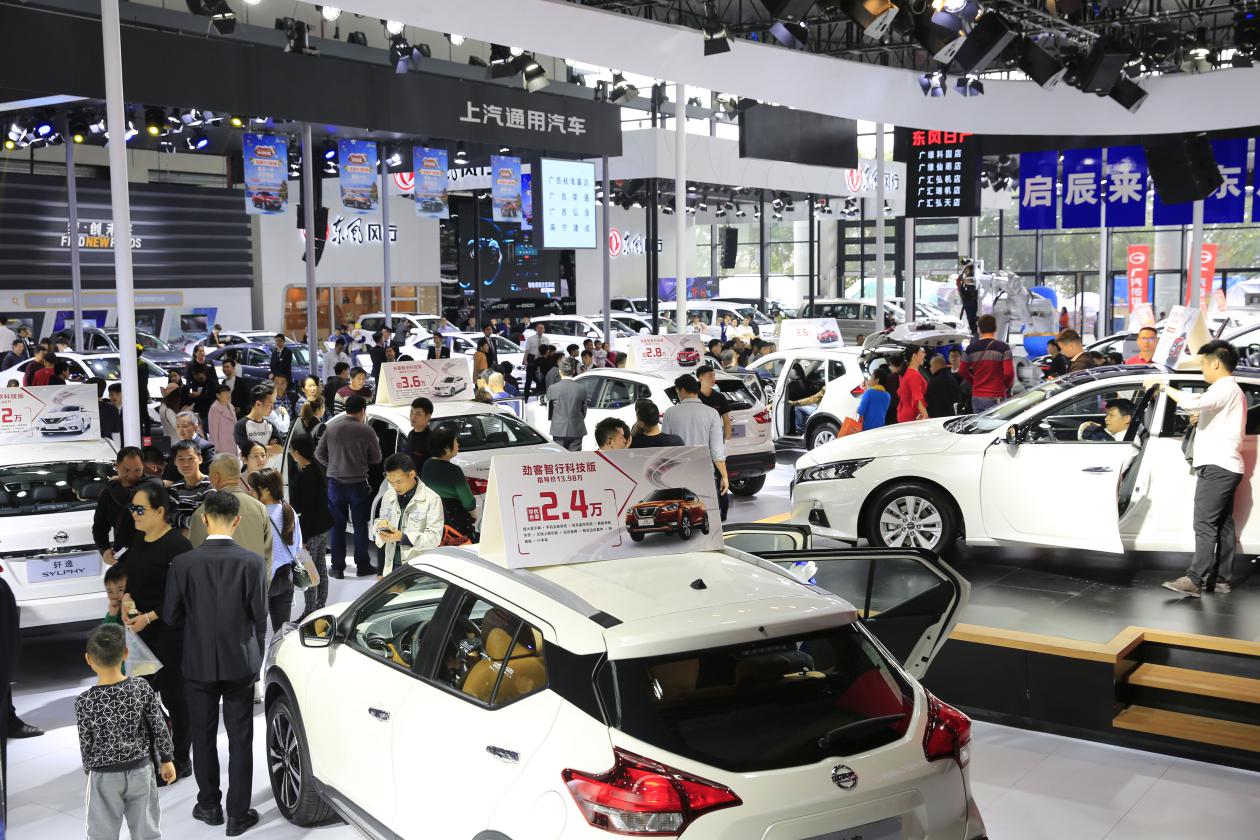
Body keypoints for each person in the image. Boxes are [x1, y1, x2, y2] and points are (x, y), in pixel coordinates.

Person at [162, 490, 265, 836]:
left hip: (197, 660)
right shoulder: (252, 562)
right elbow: (259, 615)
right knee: (240, 738)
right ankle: (238, 814)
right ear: (237, 521)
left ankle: (208, 806)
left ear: (204, 519)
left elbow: (170, 616)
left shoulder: (183, 563)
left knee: (203, 736)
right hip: (240, 661)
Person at [1148, 342, 1247, 597]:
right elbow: (1212, 415)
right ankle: (1221, 579)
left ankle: (1194, 579)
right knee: (1222, 525)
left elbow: (1193, 401)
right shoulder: (1230, 391)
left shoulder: (1225, 388)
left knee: (1204, 524)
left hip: (1218, 467)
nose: (1202, 369)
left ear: (1216, 363)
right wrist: (1200, 419)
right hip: (1226, 466)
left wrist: (1163, 386)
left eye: (1203, 364)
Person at [114, 480, 194, 781]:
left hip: (171, 633)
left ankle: (181, 758)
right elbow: (132, 581)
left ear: (160, 511)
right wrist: (126, 600)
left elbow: (183, 595)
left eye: (140, 509)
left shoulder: (178, 546)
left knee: (175, 698)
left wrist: (149, 617)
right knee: (142, 698)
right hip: (141, 635)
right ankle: (157, 754)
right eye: (132, 508)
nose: (134, 514)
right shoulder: (138, 541)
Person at [76, 624, 176, 840]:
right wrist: (167, 759)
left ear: (89, 659)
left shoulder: (84, 701)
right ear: (125, 653)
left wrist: (89, 771)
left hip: (103, 774)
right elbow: (159, 725)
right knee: (146, 830)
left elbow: (86, 742)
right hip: (140, 769)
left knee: (101, 834)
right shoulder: (141, 688)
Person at [315, 394, 382, 578]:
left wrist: (333, 465)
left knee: (337, 527)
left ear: (346, 409)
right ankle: (363, 565)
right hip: (358, 485)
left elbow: (318, 454)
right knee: (360, 526)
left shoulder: (331, 428)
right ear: (363, 411)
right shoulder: (367, 430)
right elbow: (377, 458)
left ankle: (337, 568)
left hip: (335, 485)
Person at [662, 374, 729, 521]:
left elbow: (666, 446)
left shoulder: (670, 413)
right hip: (704, 472)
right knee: (707, 517)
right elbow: (717, 450)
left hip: (678, 472)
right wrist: (724, 476)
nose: (678, 395)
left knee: (682, 517)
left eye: (677, 391)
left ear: (682, 390)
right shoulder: (712, 413)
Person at [187, 454, 273, 565]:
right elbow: (268, 554)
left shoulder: (203, 512)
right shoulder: (259, 507)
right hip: (254, 575)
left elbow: (195, 559)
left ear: (216, 477)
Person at [246, 469, 298, 648]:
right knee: (282, 633)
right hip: (287, 577)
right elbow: (297, 546)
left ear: (266, 490)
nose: (250, 492)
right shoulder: (289, 510)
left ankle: (258, 666)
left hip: (263, 578)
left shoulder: (256, 513)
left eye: (253, 488)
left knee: (258, 634)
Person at [375, 453, 444, 577]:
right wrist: (380, 526)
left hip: (418, 568)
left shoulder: (432, 499)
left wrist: (403, 538)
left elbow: (434, 538)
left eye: (398, 482)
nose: (395, 487)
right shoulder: (388, 495)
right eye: (390, 482)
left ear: (412, 474)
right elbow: (379, 522)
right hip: (391, 564)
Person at [289, 435, 333, 618]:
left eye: (292, 450)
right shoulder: (317, 468)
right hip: (323, 527)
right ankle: (320, 606)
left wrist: (304, 538)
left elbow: (305, 511)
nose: (291, 453)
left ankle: (309, 611)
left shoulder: (304, 476)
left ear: (297, 452)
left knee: (309, 571)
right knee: (320, 568)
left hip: (311, 531)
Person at [421, 424, 477, 539]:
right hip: (455, 518)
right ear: (446, 448)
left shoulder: (427, 465)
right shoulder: (454, 471)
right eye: (455, 441)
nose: (458, 444)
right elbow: (467, 500)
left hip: (433, 517)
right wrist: (473, 514)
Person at [95, 447, 146, 566]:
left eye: (137, 470)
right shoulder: (107, 494)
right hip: (123, 556)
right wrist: (104, 550)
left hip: (151, 554)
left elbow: (126, 498)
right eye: (126, 470)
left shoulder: (151, 487)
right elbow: (100, 527)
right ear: (117, 466)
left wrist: (112, 483)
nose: (132, 476)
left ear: (143, 467)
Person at [959, 314, 1015, 414]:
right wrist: (1004, 387)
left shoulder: (970, 348)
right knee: (997, 423)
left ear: (979, 329)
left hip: (977, 396)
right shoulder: (1003, 348)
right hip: (996, 395)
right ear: (995, 328)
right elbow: (1009, 373)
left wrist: (974, 382)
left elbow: (962, 370)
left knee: (979, 423)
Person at [168, 439, 213, 535]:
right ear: (175, 462)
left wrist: (181, 523)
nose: (186, 464)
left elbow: (206, 521)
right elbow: (169, 519)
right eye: (181, 459)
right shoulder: (174, 489)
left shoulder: (211, 486)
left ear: (200, 459)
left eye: (190, 458)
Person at [233, 383, 283, 461]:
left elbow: (279, 449)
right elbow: (248, 451)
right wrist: (269, 448)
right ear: (258, 404)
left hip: (269, 468)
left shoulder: (271, 426)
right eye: (270, 404)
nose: (272, 408)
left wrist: (256, 447)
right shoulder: (241, 425)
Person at [547, 357, 586, 451]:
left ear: (560, 371)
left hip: (558, 429)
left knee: (560, 457)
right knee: (575, 457)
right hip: (576, 428)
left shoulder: (552, 388)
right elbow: (584, 411)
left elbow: (550, 411)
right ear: (573, 371)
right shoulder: (581, 388)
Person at [696, 365, 732, 441]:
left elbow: (727, 422)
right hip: (699, 439)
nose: (713, 378)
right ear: (700, 378)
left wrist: (726, 442)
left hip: (716, 439)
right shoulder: (694, 398)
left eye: (714, 375)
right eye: (710, 375)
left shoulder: (720, 397)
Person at [896, 344, 929, 423]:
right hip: (911, 415)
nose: (924, 354)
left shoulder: (905, 372)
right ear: (914, 355)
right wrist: (925, 414)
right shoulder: (913, 374)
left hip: (904, 413)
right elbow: (917, 396)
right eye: (922, 352)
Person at [855, 367, 892, 432]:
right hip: (881, 427)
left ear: (877, 380)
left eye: (871, 377)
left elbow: (861, 411)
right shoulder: (887, 395)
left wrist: (857, 408)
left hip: (867, 428)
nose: (869, 379)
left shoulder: (869, 393)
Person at [208, 385, 237, 456]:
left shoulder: (231, 406)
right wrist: (216, 448)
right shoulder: (214, 408)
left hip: (232, 442)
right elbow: (213, 431)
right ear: (218, 395)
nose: (228, 395)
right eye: (225, 393)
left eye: (229, 392)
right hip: (222, 445)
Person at [405, 397, 434, 466]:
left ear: (428, 417)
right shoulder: (410, 434)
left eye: (418, 414)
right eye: (411, 412)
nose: (412, 417)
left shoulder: (433, 440)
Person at [523, 322, 545, 399]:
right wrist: (525, 360)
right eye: (539, 328)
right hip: (532, 361)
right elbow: (527, 350)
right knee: (528, 380)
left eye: (542, 328)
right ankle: (525, 398)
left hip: (542, 362)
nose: (541, 329)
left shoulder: (546, 339)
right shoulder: (530, 339)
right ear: (536, 329)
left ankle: (539, 396)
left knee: (540, 380)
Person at [956, 261, 979, 335]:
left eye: (965, 268)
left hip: (971, 303)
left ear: (968, 268)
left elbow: (970, 291)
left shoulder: (971, 278)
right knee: (972, 323)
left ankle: (975, 334)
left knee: (973, 323)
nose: (963, 270)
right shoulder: (966, 278)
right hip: (968, 303)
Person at [883, 354, 904, 426]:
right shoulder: (906, 376)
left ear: (894, 365)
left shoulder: (888, 378)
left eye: (891, 365)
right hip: (902, 408)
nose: (889, 367)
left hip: (891, 409)